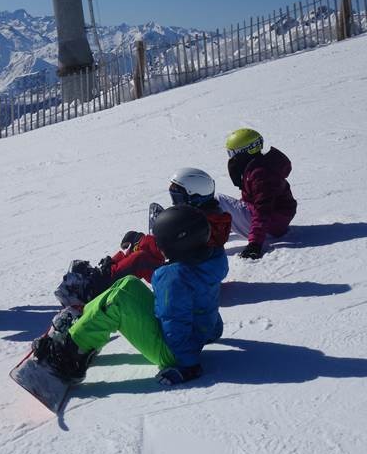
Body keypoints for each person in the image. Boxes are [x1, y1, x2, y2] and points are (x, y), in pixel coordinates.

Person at [35, 205, 228, 386]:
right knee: (128, 284)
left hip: (175, 352)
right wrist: (209, 330)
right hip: (194, 334)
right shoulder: (208, 261)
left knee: (117, 301)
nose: (159, 247)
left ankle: (70, 354)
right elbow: (201, 301)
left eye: (161, 242)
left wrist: (187, 365)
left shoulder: (173, 277)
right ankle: (85, 321)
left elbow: (173, 318)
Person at [55, 168, 232, 307]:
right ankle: (105, 274)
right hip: (196, 272)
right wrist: (138, 242)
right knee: (139, 246)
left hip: (194, 282)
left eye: (177, 198)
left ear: (194, 196)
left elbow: (164, 248)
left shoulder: (196, 224)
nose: (174, 203)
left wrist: (140, 242)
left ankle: (93, 290)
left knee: (140, 260)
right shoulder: (207, 217)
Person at [218, 128, 296, 260]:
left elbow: (263, 210)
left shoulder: (261, 175)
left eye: (233, 153)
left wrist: (255, 243)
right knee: (223, 203)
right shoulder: (256, 167)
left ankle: (203, 238)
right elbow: (252, 202)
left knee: (216, 200)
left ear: (246, 151)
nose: (232, 158)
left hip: (271, 226)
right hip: (275, 222)